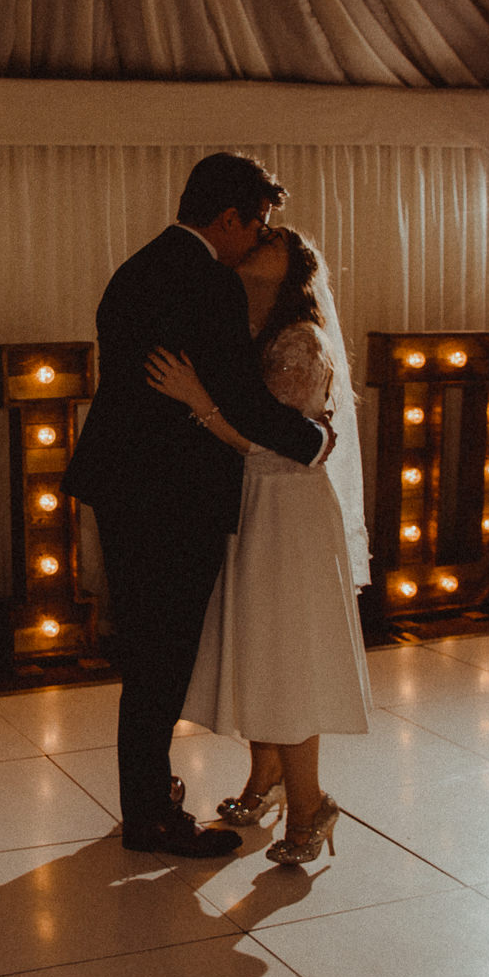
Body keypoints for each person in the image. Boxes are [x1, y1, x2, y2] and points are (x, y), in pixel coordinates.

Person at [62, 153, 330, 858]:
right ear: (228, 218)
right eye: (258, 223)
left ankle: (147, 790)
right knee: (162, 660)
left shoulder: (137, 268)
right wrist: (312, 439)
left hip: (123, 486)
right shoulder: (206, 281)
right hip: (170, 498)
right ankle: (150, 813)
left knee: (144, 653)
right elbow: (240, 396)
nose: (259, 237)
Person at [143, 225, 372, 865]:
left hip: (288, 509)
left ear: (293, 276)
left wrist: (198, 401)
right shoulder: (250, 336)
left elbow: (285, 447)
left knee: (285, 655)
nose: (249, 276)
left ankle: (311, 805)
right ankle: (263, 779)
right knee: (258, 646)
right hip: (254, 504)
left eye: (265, 265)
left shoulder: (299, 341)